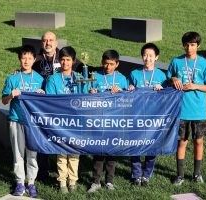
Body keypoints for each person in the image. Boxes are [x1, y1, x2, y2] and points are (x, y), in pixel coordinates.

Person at [167, 31, 206, 185]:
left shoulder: (204, 63)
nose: (189, 48)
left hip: (199, 111)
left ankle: (197, 174)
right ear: (183, 45)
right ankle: (180, 175)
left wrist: (195, 85)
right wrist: (174, 78)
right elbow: (168, 79)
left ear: (198, 46)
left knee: (198, 142)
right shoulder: (176, 62)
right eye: (187, 45)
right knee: (182, 142)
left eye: (193, 45)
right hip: (181, 110)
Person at [2, 45, 45, 197]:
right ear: (19, 59)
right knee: (18, 153)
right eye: (23, 58)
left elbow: (44, 103)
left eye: (29, 58)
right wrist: (11, 95)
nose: (26, 61)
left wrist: (42, 95)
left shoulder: (40, 79)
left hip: (33, 122)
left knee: (32, 154)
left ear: (34, 59)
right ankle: (20, 182)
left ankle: (31, 183)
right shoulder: (12, 78)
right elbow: (4, 101)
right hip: (16, 120)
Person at [87, 50, 128, 193]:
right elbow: (87, 94)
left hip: (114, 120)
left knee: (112, 152)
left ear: (117, 64)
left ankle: (109, 181)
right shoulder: (95, 76)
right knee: (98, 151)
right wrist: (91, 94)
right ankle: (96, 181)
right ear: (101, 62)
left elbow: (127, 99)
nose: (108, 66)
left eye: (111, 64)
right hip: (98, 119)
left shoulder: (122, 79)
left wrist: (122, 91)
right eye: (105, 63)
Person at [127, 43, 167, 186]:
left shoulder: (162, 75)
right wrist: (130, 88)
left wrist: (161, 89)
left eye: (151, 55)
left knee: (152, 145)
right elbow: (127, 94)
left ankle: (147, 174)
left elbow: (166, 97)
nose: (147, 58)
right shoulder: (134, 74)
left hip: (153, 116)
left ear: (156, 57)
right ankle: (136, 174)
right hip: (136, 115)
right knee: (135, 144)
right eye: (145, 55)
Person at [45, 46, 84, 193]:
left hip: (76, 121)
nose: (65, 63)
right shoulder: (53, 79)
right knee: (61, 153)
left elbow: (85, 99)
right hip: (60, 121)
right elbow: (50, 101)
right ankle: (62, 182)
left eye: (68, 60)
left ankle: (72, 181)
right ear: (59, 61)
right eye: (62, 60)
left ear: (73, 61)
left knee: (74, 152)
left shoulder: (80, 78)